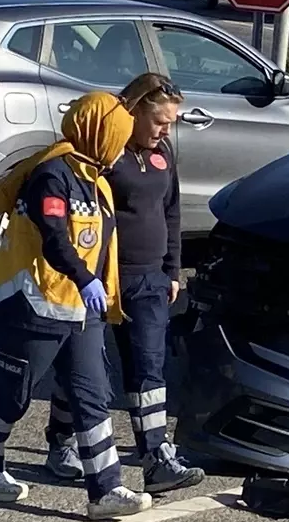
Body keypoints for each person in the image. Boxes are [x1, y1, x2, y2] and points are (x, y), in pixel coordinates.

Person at [0, 91, 152, 520]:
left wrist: (100, 291)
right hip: (31, 304)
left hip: (79, 312)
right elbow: (54, 235)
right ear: (99, 133)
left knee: (92, 397)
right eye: (119, 138)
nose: (122, 148)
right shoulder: (52, 174)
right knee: (13, 394)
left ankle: (105, 490)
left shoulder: (97, 180)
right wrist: (85, 279)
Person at [43, 74, 205, 494]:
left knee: (149, 369)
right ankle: (61, 442)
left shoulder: (163, 151)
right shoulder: (102, 154)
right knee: (86, 370)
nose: (166, 130)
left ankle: (156, 457)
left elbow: (171, 210)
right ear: (131, 113)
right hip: (102, 279)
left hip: (150, 278)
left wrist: (172, 268)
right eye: (159, 122)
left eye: (171, 123)